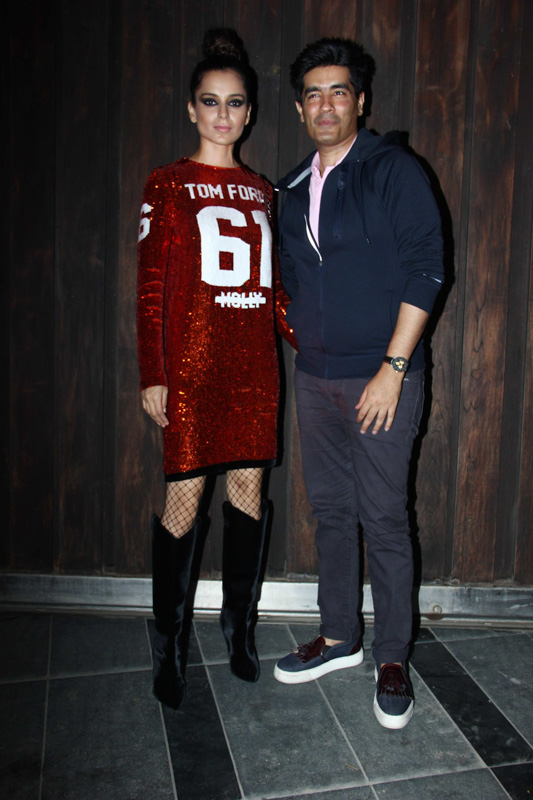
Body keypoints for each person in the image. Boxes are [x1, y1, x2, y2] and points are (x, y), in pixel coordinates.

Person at [273, 37, 444, 730]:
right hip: (315, 380)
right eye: (313, 93)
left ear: (360, 101)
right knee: (332, 514)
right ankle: (339, 635)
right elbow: (288, 280)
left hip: (382, 377)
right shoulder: (288, 189)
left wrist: (392, 369)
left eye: (338, 91)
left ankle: (392, 656)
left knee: (384, 517)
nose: (325, 105)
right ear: (299, 107)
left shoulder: (392, 170)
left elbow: (427, 268)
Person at [137, 28, 294, 710]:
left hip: (254, 369)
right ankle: (168, 643)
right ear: (192, 109)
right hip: (192, 372)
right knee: (183, 502)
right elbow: (149, 287)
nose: (223, 114)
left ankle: (239, 629)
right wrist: (153, 372)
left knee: (248, 498)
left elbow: (275, 288)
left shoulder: (262, 191)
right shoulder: (167, 184)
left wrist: (314, 342)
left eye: (234, 103)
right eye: (210, 101)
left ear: (249, 112)